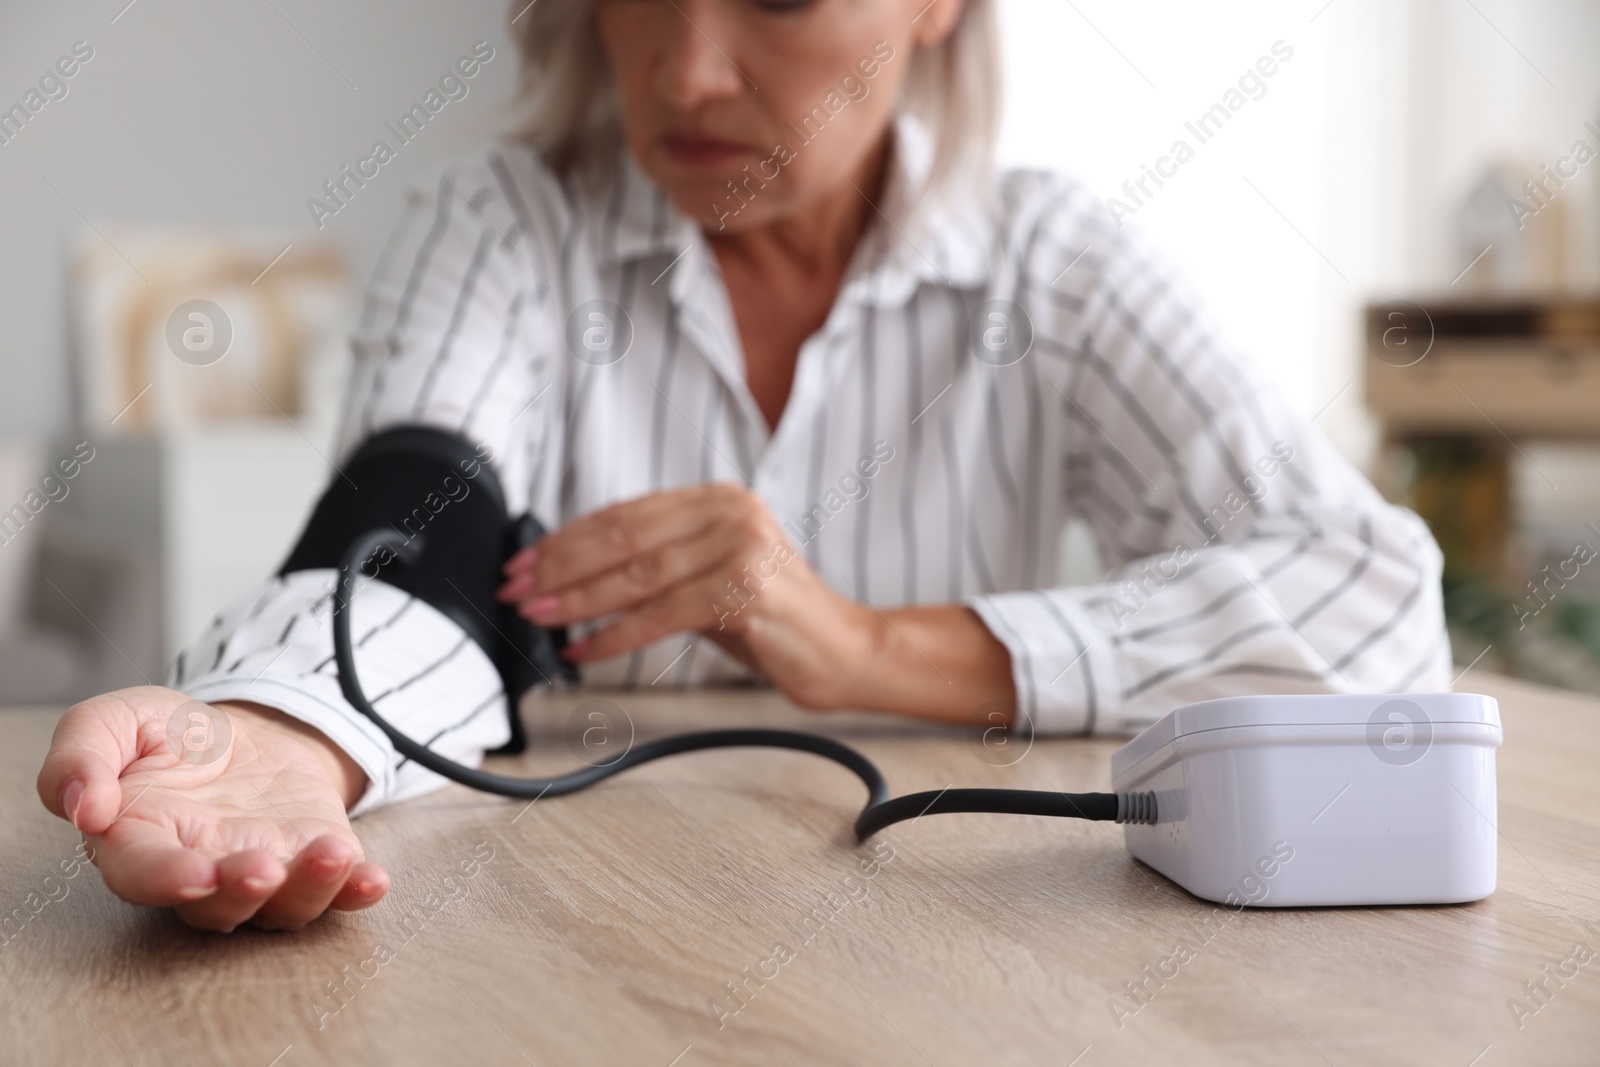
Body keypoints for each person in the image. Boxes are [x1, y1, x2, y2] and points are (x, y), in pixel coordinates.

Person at [35, 0, 1450, 933]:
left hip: (960, 937)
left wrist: (871, 648)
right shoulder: (507, 224)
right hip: (562, 945)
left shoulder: (1059, 267)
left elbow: (1375, 599)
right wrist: (292, 734)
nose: (685, 71)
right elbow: (426, 526)